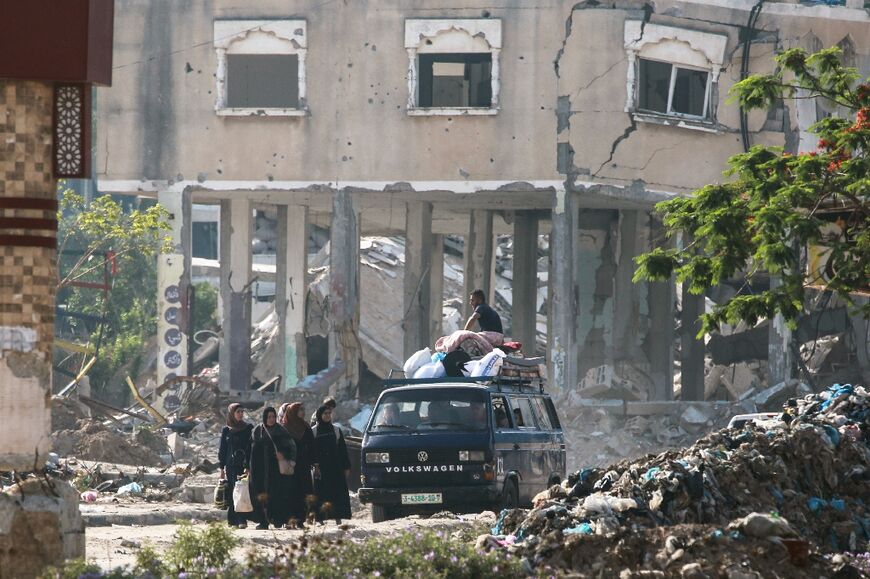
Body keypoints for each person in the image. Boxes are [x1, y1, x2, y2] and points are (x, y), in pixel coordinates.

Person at [249, 407, 297, 529]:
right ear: (265, 417)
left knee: (276, 494)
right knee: (260, 494)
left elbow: (292, 447)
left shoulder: (281, 431)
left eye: (273, 417)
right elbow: (251, 449)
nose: (271, 419)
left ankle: (277, 520)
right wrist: (247, 466)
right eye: (269, 417)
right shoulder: (257, 431)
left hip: (275, 470)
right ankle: (263, 521)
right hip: (260, 469)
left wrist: (283, 455)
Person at [312, 404, 352, 524]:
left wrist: (346, 467)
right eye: (325, 413)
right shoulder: (314, 431)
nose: (328, 416)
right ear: (320, 415)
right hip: (321, 468)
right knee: (321, 493)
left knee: (336, 493)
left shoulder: (336, 430)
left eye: (329, 413)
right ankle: (320, 519)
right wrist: (316, 465)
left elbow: (342, 450)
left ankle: (338, 517)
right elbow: (312, 451)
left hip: (335, 467)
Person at [218, 403, 253, 528]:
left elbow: (250, 448)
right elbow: (223, 450)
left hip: (243, 464)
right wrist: (221, 468)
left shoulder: (248, 428)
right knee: (233, 490)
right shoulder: (226, 430)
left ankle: (242, 520)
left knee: (242, 490)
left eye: (242, 411)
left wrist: (248, 465)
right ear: (232, 413)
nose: (240, 414)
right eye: (238, 411)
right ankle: (232, 520)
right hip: (231, 465)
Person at [281, 402, 316, 528]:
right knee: (289, 493)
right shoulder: (284, 428)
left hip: (303, 465)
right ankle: (289, 521)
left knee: (303, 492)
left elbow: (312, 446)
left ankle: (300, 520)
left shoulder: (306, 427)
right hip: (289, 466)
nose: (303, 412)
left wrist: (314, 463)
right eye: (300, 410)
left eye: (303, 409)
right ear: (293, 411)